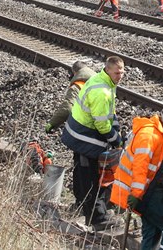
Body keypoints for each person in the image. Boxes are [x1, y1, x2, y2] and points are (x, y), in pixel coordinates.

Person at [110, 103, 163, 250]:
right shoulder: (150, 135)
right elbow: (140, 166)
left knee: (152, 230)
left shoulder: (160, 134)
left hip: (148, 191)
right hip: (145, 193)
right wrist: (136, 194)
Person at [61, 56, 125, 230]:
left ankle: (81, 205)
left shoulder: (100, 79)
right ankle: (97, 218)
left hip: (77, 133)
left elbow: (108, 113)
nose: (120, 76)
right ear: (108, 70)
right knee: (91, 177)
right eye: (117, 72)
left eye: (122, 72)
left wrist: (116, 125)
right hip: (84, 137)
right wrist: (117, 140)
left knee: (81, 173)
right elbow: (102, 125)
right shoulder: (102, 92)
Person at [45, 61, 96, 134]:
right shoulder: (101, 84)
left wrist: (52, 123)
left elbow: (67, 108)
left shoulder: (77, 86)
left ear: (75, 72)